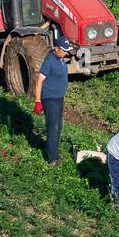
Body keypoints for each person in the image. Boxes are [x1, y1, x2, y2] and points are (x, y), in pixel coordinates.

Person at [33, 33, 74, 164]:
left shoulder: (60, 58)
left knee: (58, 126)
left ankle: (54, 152)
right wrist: (38, 101)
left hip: (58, 98)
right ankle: (52, 159)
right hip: (50, 99)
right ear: (57, 48)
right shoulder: (50, 60)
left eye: (67, 51)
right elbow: (39, 81)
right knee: (53, 127)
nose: (65, 53)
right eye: (64, 50)